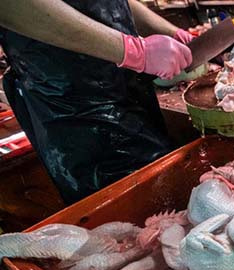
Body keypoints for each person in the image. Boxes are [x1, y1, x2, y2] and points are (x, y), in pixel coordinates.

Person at [0, 0, 194, 204]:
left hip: (124, 90)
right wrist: (132, 50)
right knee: (135, 215)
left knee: (167, 194)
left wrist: (173, 33)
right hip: (73, 110)